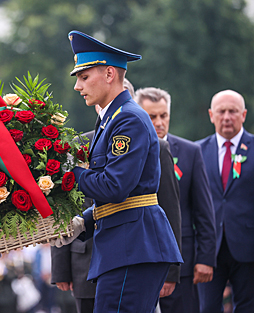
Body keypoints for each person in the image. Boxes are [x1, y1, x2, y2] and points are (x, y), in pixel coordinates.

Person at [51, 30, 183, 312]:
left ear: (110, 74)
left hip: (132, 247)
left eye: (84, 77)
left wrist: (68, 174)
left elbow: (114, 186)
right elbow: (121, 192)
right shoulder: (112, 119)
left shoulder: (128, 120)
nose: (78, 86)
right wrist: (83, 223)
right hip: (126, 246)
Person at [135, 87, 217, 313]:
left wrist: (206, 258)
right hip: (138, 259)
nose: (159, 122)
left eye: (164, 115)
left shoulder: (191, 152)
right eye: (152, 116)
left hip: (182, 262)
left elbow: (204, 211)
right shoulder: (127, 153)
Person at [196, 89, 254, 313]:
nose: (227, 117)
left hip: (248, 247)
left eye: (233, 111)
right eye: (222, 111)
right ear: (211, 115)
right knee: (207, 308)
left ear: (244, 115)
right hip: (209, 249)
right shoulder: (197, 151)